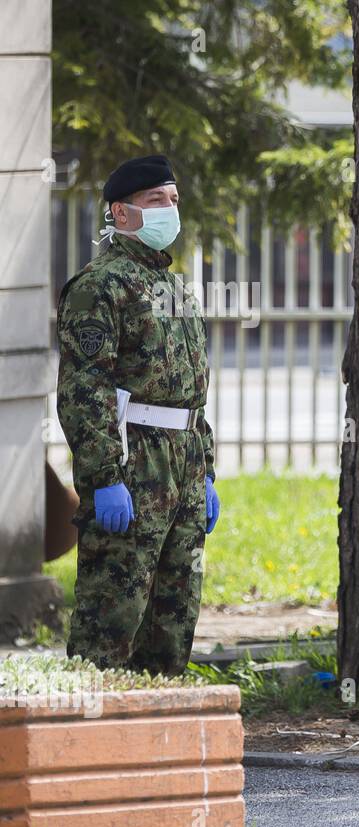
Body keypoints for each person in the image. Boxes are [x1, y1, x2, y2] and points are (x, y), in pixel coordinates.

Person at [56, 154, 219, 674]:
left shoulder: (175, 289)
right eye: (156, 201)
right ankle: (88, 741)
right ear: (120, 214)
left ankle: (158, 739)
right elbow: (86, 388)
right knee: (113, 618)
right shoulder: (98, 286)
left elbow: (192, 392)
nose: (170, 211)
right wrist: (104, 477)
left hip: (183, 465)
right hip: (135, 462)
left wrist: (205, 470)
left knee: (173, 620)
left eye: (173, 200)